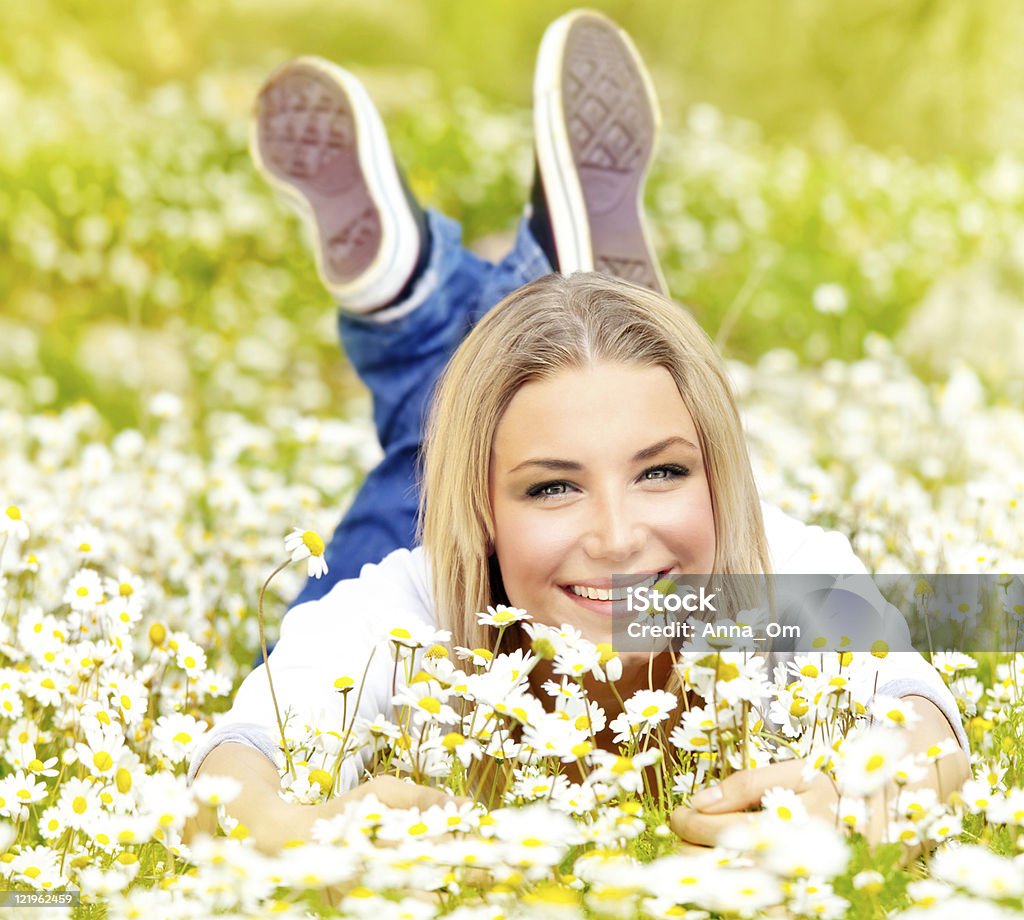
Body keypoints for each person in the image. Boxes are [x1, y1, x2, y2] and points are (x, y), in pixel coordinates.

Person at [187, 11, 970, 854]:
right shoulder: (409, 607)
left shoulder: (778, 577)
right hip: (457, 569)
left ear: (717, 475)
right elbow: (230, 768)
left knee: (444, 430)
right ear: (484, 511)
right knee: (418, 471)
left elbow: (919, 710)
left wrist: (883, 783)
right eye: (552, 487)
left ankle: (421, 310)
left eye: (662, 473)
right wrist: (304, 833)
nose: (619, 539)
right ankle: (449, 314)